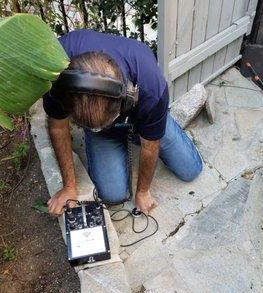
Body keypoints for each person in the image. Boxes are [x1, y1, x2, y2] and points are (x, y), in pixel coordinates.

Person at [43, 29, 203, 216]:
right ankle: (105, 130)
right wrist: (69, 186)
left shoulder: (151, 87)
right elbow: (57, 128)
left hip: (140, 118)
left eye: (105, 122)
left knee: (190, 170)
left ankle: (155, 123)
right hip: (102, 133)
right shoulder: (57, 67)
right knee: (113, 194)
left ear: (127, 98)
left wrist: (142, 191)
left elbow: (150, 147)